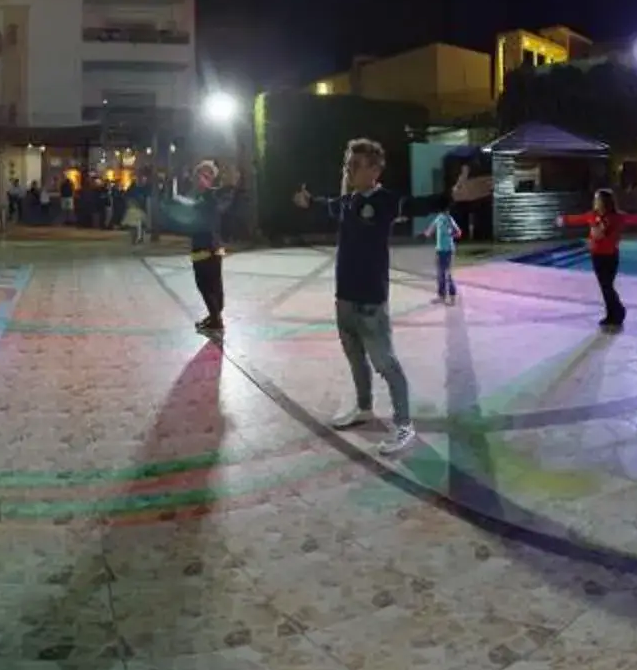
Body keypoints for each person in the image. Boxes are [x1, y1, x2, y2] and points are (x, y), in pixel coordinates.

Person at [293, 139, 490, 456]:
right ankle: (364, 408)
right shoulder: (347, 202)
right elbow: (323, 204)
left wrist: (450, 197)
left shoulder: (386, 201)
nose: (349, 170)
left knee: (386, 363)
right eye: (348, 165)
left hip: (371, 300)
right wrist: (308, 201)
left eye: (355, 165)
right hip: (343, 297)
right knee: (356, 359)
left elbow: (420, 204)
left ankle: (404, 424)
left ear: (374, 169)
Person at [560, 189, 637, 330]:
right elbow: (578, 218)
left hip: (610, 255)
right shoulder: (592, 216)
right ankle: (612, 314)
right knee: (605, 287)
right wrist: (564, 220)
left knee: (607, 286)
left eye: (597, 199)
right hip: (596, 256)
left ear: (604, 202)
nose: (595, 202)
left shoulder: (617, 217)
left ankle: (617, 311)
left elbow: (634, 218)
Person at [173, 160, 244, 333]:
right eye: (200, 174)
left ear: (213, 178)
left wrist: (226, 187)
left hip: (210, 245)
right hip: (201, 244)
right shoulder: (197, 195)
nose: (202, 178)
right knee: (206, 283)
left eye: (207, 175)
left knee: (209, 283)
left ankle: (216, 318)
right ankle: (214, 316)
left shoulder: (214, 195)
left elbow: (221, 206)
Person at [424, 207, 463, 302]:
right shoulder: (438, 218)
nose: (446, 211)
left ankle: (452, 295)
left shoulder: (450, 219)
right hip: (439, 250)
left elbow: (458, 233)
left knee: (448, 274)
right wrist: (426, 234)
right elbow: (430, 230)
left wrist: (451, 235)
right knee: (440, 274)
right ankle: (442, 295)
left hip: (449, 250)